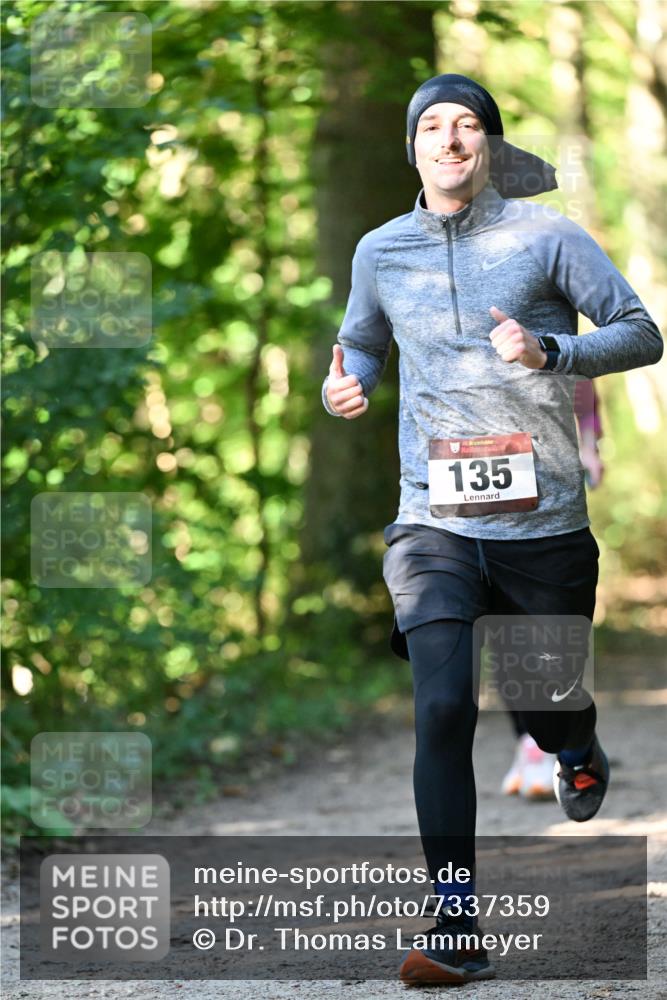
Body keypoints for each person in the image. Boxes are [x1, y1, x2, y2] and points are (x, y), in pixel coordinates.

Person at [321, 72, 663, 985]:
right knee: (439, 709)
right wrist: (343, 378)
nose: (449, 138)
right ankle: (456, 925)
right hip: (431, 517)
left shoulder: (546, 236)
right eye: (431, 125)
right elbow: (360, 337)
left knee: (543, 706)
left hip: (542, 518)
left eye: (466, 124)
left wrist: (550, 349)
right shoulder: (379, 249)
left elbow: (640, 332)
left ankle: (575, 750)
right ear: (412, 147)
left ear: (490, 145)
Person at [501, 379, 604, 800]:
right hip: (482, 496)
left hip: (549, 492)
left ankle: (558, 742)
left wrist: (591, 446)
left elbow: (582, 389)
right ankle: (528, 747)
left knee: (541, 630)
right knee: (501, 629)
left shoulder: (547, 323)